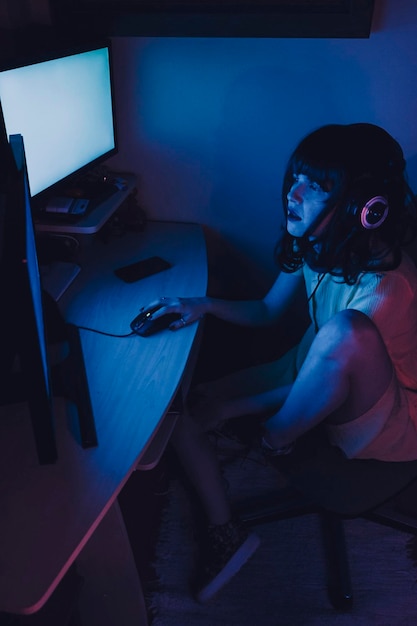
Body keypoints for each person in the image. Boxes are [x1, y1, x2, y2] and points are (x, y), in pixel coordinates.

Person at [141, 123, 417, 602]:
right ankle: (224, 532)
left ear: (362, 210)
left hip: (384, 415)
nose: (294, 191)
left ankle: (277, 441)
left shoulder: (387, 291)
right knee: (182, 408)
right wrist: (202, 303)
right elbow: (267, 311)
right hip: (304, 372)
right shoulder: (318, 246)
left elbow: (338, 361)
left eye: (316, 186)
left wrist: (237, 411)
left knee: (345, 331)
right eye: (296, 178)